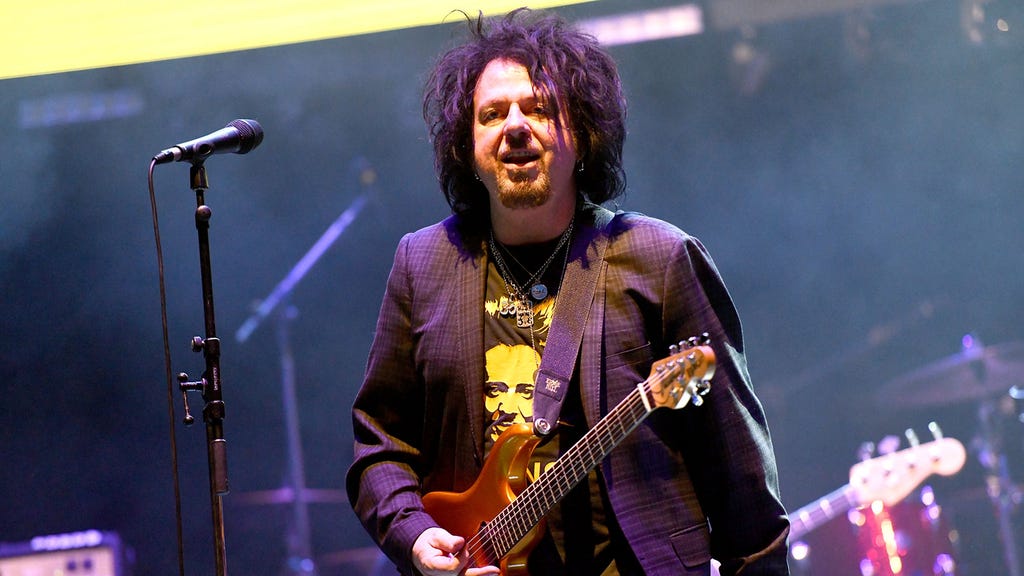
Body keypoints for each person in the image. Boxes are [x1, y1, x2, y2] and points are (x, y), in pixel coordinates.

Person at [346, 8, 790, 576]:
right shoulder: (423, 262)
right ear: (468, 145)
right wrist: (416, 534)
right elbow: (381, 445)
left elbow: (740, 476)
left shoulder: (659, 258)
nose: (513, 126)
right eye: (491, 114)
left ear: (583, 134)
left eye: (538, 109)